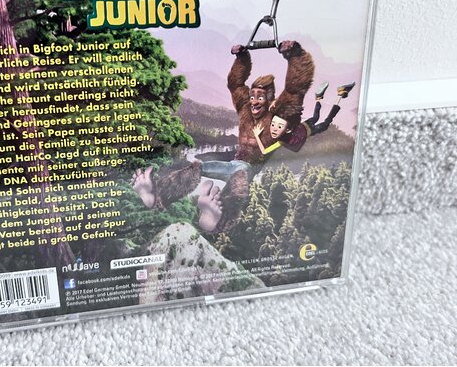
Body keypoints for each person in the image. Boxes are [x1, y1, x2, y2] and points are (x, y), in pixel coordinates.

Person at [132, 40, 315, 233]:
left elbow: (296, 89)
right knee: (197, 167)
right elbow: (235, 85)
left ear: (269, 99)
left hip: (248, 168)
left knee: (239, 179)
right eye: (252, 96)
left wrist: (296, 54)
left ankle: (219, 220)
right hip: (233, 163)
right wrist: (241, 58)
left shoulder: (277, 116)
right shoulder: (245, 110)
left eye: (260, 97)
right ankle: (157, 196)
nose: (254, 102)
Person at [252, 81, 356, 156]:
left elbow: (264, 151)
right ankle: (319, 97)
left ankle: (339, 95)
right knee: (317, 118)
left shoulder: (281, 140)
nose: (274, 129)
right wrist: (257, 135)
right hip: (305, 126)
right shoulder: (281, 140)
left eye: (279, 127)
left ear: (288, 129)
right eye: (273, 125)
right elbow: (264, 151)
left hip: (308, 129)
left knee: (324, 122)